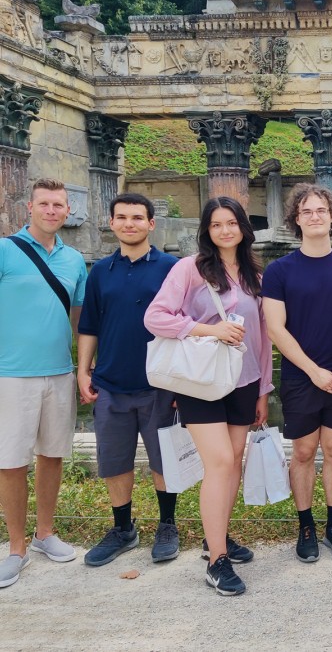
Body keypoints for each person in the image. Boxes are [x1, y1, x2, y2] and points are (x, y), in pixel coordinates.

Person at [145, 197, 273, 596]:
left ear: (243, 228)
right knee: (218, 462)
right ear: (207, 230)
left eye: (231, 223)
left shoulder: (255, 274)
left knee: (233, 462)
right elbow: (155, 316)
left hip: (245, 379)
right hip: (201, 381)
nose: (225, 231)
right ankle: (217, 562)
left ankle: (215, 536)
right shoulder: (191, 269)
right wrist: (209, 330)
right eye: (216, 224)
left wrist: (264, 390)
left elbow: (263, 337)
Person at [262, 184, 332, 564]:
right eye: (306, 211)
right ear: (296, 219)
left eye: (321, 210)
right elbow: (276, 329)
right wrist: (313, 371)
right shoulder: (279, 270)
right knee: (305, 451)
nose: (314, 216)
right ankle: (305, 524)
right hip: (300, 375)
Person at [77, 193, 180, 567]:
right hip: (111, 380)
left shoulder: (173, 268)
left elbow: (185, 322)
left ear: (151, 223)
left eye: (138, 217)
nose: (129, 224)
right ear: (112, 223)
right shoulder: (100, 271)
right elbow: (89, 325)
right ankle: (123, 528)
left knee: (162, 458)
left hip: (159, 382)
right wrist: (83, 370)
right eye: (122, 217)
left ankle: (167, 525)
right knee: (113, 459)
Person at [0, 179, 88, 588]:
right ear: (29, 208)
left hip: (58, 371)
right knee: (11, 461)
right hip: (11, 373)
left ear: (67, 211)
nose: (52, 211)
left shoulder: (74, 260)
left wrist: (80, 366)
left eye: (59, 205)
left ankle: (44, 534)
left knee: (52, 455)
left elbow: (76, 318)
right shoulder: (5, 250)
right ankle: (16, 546)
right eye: (45, 204)